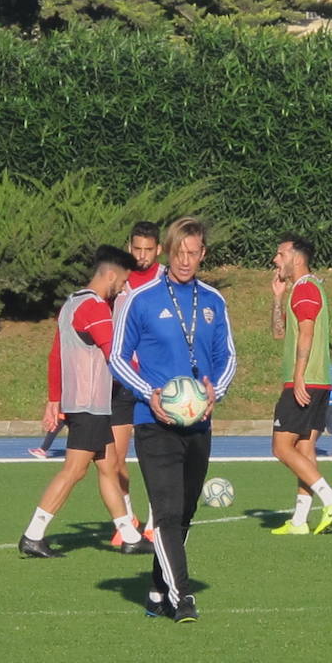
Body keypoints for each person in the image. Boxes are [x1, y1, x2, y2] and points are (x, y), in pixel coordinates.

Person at [110, 217, 236, 624]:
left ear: (203, 254)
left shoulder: (214, 301)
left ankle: (155, 590)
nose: (185, 260)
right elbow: (116, 358)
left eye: (193, 253)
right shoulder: (140, 299)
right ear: (167, 251)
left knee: (183, 513)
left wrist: (216, 389)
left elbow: (228, 358)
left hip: (198, 424)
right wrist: (149, 393)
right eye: (179, 252)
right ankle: (183, 598)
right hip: (154, 421)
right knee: (164, 512)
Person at [19, 246, 149, 558]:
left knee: (108, 468)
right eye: (123, 281)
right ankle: (33, 534)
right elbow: (115, 357)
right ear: (111, 275)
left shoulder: (71, 303)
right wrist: (151, 387)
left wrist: (54, 398)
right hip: (90, 404)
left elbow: (55, 355)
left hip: (87, 403)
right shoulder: (95, 308)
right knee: (74, 471)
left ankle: (129, 534)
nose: (123, 288)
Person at [268, 234, 332, 536]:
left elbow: (306, 333)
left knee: (280, 447)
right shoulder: (299, 290)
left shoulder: (305, 289)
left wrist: (299, 376)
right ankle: (300, 521)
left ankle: (330, 499)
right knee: (304, 449)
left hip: (304, 381)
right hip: (317, 381)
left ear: (296, 258)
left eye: (280, 254)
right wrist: (277, 297)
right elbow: (280, 334)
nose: (276, 260)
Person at [105, 220, 165, 545]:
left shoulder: (166, 280)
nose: (142, 256)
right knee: (114, 459)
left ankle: (157, 520)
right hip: (119, 379)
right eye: (136, 248)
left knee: (154, 455)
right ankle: (127, 519)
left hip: (154, 381)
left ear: (158, 249)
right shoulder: (117, 278)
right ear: (129, 246)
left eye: (148, 249)